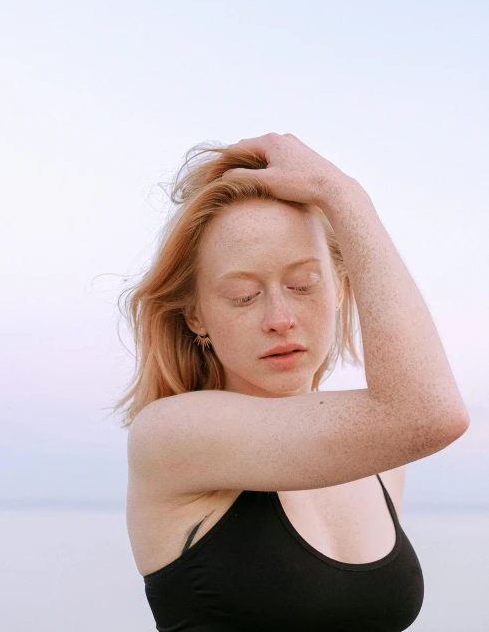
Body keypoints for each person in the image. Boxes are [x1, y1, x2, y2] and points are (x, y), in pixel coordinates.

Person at [114, 132, 470, 631]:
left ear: (343, 288)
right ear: (195, 316)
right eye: (242, 295)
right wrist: (344, 195)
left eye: (304, 285)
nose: (280, 317)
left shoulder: (379, 466)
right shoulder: (171, 435)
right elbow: (431, 411)